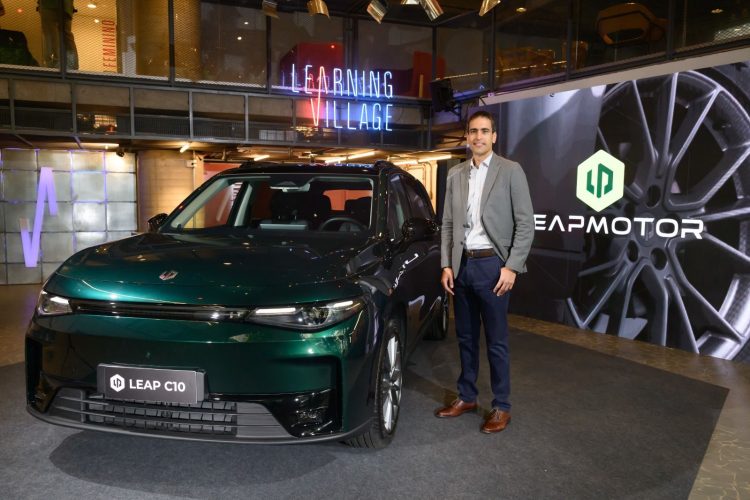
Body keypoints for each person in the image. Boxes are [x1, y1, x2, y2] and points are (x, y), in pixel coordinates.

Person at [435, 110, 534, 433]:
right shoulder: (455, 174)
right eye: (473, 131)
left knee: (496, 341)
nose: (478, 136)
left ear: (494, 136)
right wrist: (447, 264)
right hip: (462, 266)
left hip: (493, 266)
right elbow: (447, 224)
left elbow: (526, 224)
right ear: (467, 137)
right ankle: (467, 396)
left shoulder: (511, 170)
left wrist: (512, 267)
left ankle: (501, 406)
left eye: (484, 131)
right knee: (465, 337)